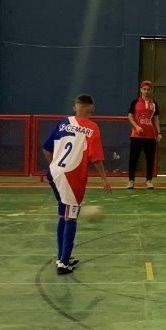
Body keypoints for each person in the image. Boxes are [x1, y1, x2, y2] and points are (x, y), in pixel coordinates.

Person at [43, 94, 112, 275]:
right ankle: (64, 263)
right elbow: (96, 158)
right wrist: (104, 179)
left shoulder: (63, 122)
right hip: (72, 177)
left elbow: (46, 148)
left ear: (75, 107)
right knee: (71, 218)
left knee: (63, 214)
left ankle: (62, 256)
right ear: (92, 108)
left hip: (54, 172)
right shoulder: (92, 127)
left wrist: (54, 167)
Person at [126, 80, 161, 189]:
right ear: (141, 90)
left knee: (150, 159)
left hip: (150, 137)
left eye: (148, 89)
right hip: (136, 136)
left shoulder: (154, 104)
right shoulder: (135, 102)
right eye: (144, 89)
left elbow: (156, 119)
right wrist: (136, 127)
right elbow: (130, 116)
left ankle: (149, 181)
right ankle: (131, 181)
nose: (146, 91)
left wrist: (159, 132)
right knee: (133, 159)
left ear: (151, 91)